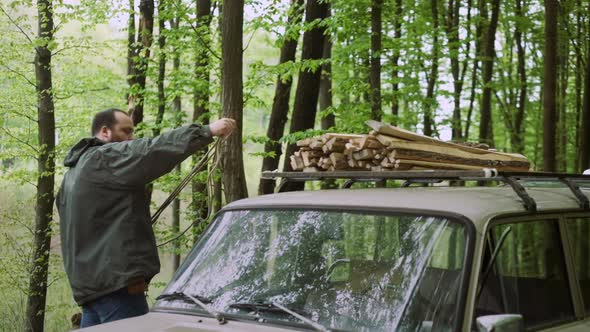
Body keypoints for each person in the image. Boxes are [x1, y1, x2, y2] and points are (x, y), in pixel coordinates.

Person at [56, 108, 236, 328]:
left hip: (91, 293)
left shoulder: (72, 176)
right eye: (126, 132)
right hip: (118, 291)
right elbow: (151, 150)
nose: (132, 138)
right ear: (104, 132)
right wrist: (206, 131)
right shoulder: (103, 159)